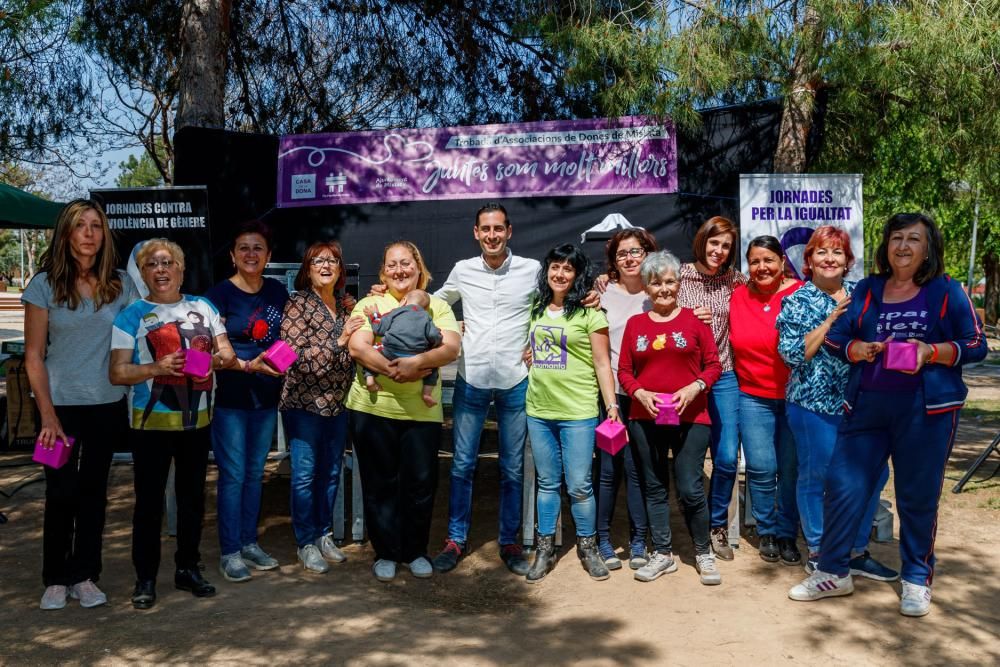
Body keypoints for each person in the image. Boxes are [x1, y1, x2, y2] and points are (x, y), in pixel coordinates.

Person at [789, 213, 986, 617]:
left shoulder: (946, 290)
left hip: (926, 411)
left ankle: (916, 577)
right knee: (843, 487)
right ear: (886, 245)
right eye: (897, 238)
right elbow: (838, 340)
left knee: (917, 496)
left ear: (928, 246)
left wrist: (930, 352)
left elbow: (977, 345)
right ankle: (833, 572)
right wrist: (856, 350)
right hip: (867, 406)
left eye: (914, 239)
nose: (904, 246)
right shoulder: (868, 288)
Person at [110, 239, 235, 610]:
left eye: (168, 263)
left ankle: (188, 569)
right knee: (148, 504)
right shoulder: (130, 315)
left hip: (196, 423)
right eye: (152, 264)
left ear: (181, 269)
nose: (161, 270)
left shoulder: (204, 307)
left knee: (192, 500)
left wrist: (213, 359)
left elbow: (226, 354)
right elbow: (117, 373)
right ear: (143, 273)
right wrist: (155, 368)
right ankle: (145, 578)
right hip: (149, 427)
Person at [23, 200, 135, 610]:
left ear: (104, 235)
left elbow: (139, 338)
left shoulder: (122, 284)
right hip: (59, 408)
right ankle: (55, 577)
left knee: (93, 492)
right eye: (80, 226)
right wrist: (47, 414)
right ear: (66, 233)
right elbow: (33, 356)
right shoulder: (43, 285)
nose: (89, 233)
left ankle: (85, 574)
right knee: (59, 491)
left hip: (106, 404)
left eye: (96, 226)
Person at [776, 226, 897, 580]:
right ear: (809, 261)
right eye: (821, 252)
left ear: (848, 261)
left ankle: (855, 551)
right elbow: (793, 354)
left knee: (874, 475)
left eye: (837, 253)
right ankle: (818, 550)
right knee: (818, 476)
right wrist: (831, 320)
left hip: (863, 403)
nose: (830, 259)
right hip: (812, 404)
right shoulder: (796, 300)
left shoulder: (864, 295)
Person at [431, 203, 537, 576]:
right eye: (485, 229)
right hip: (471, 378)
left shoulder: (532, 270)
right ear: (476, 233)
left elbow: (556, 302)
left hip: (515, 381)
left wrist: (538, 339)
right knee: (461, 465)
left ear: (509, 231)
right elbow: (437, 300)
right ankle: (456, 540)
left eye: (498, 229)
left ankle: (509, 543)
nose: (491, 235)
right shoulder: (463, 270)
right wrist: (451, 323)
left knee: (511, 468)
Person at [347, 241, 461, 582]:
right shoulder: (369, 303)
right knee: (379, 483)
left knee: (421, 484)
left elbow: (452, 347)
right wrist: (394, 369)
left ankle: (414, 551)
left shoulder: (436, 305)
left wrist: (417, 363)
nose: (400, 270)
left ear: (419, 267)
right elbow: (358, 346)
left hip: (420, 413)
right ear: (383, 271)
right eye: (392, 265)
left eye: (406, 263)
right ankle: (385, 551)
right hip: (372, 408)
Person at [618, 250, 723, 584]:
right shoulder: (635, 324)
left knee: (691, 487)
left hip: (692, 416)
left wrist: (694, 388)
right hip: (644, 416)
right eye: (656, 282)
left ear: (678, 283)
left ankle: (703, 552)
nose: (663, 288)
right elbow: (624, 370)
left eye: (669, 281)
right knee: (654, 486)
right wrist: (639, 393)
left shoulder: (695, 321)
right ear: (646, 288)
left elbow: (714, 365)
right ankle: (662, 553)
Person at [524, 244, 619, 583]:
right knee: (547, 483)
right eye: (555, 267)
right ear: (546, 270)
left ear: (578, 275)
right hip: (538, 409)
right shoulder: (535, 308)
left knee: (579, 486)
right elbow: (531, 347)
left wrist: (611, 406)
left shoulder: (590, 312)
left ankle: (588, 547)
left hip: (578, 411)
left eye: (568, 269)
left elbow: (602, 362)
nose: (560, 274)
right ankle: (544, 548)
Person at [204, 220, 289, 583]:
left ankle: (249, 542)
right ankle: (230, 552)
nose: (251, 254)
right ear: (232, 256)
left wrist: (279, 366)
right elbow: (206, 351)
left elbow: (287, 339)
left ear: (268, 256)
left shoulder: (276, 292)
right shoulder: (217, 296)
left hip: (265, 397)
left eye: (258, 248)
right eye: (244, 248)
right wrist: (244, 363)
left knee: (256, 474)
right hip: (230, 398)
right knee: (233, 475)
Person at [279, 241, 364, 574]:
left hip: (336, 404)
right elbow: (293, 356)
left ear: (341, 269)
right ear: (307, 268)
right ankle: (306, 543)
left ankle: (324, 533)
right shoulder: (297, 303)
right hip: (303, 404)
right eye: (318, 261)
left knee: (331, 473)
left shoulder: (346, 307)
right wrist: (339, 342)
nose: (326, 265)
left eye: (333, 261)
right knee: (304, 475)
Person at [729, 235, 803, 565]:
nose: (762, 267)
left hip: (795, 397)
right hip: (753, 396)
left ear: (782, 262)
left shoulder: (800, 293)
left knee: (790, 469)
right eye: (755, 261)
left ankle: (788, 533)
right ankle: (767, 530)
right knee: (761, 467)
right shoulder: (737, 296)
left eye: (768, 260)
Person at [677, 216, 747, 561]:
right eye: (714, 242)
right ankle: (679, 518)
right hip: (685, 378)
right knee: (680, 456)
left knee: (725, 455)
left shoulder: (737, 281)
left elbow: (772, 289)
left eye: (726, 246)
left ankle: (717, 524)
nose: (719, 251)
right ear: (702, 240)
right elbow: (655, 307)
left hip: (726, 375)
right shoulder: (678, 275)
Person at [594, 228, 656, 571]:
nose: (630, 259)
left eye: (636, 252)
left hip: (646, 398)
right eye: (622, 254)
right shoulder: (601, 295)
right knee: (607, 471)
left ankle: (638, 540)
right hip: (611, 395)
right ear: (613, 261)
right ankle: (603, 539)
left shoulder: (659, 292)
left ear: (648, 253)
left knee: (638, 471)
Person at [363, 289, 442, 408]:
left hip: (390, 350)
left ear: (403, 301)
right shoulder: (426, 316)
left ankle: (370, 379)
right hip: (415, 356)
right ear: (425, 308)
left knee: (371, 352)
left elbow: (379, 328)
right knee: (433, 367)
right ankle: (427, 393)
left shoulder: (396, 311)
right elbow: (433, 336)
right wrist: (436, 341)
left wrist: (374, 314)